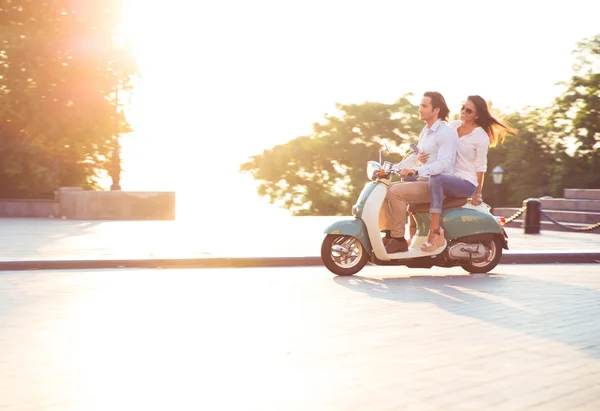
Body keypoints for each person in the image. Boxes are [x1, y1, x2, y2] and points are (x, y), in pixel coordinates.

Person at [419, 95, 515, 251]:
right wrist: (421, 157)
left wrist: (478, 194)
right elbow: (437, 148)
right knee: (416, 185)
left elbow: (480, 167)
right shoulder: (452, 126)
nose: (463, 112)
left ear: (477, 115)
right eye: (463, 107)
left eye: (468, 110)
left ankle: (435, 232)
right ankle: (414, 238)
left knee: (436, 180)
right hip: (448, 177)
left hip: (466, 182)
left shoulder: (481, 136)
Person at [380, 91, 458, 254]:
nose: (420, 109)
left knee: (396, 192)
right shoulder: (425, 132)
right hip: (422, 180)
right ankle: (388, 234)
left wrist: (415, 170)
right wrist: (395, 167)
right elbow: (418, 158)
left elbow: (444, 164)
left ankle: (398, 239)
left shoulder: (446, 133)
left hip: (437, 185)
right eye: (420, 106)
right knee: (380, 190)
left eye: (424, 106)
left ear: (436, 110)